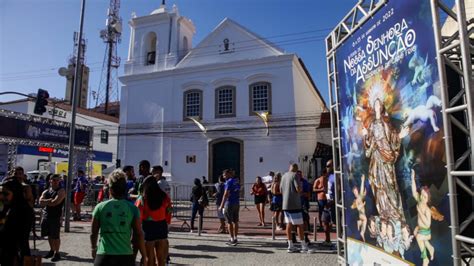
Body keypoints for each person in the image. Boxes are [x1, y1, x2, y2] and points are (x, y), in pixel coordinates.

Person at [362, 98, 408, 222]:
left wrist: (400, 136)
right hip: (376, 157)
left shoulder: (386, 121)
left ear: (382, 106)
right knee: (377, 184)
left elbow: (393, 137)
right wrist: (366, 134)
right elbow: (368, 144)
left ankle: (394, 213)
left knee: (389, 185)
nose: (377, 105)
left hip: (386, 156)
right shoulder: (371, 124)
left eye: (379, 103)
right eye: (375, 103)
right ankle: (383, 212)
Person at [90, 169, 147, 266]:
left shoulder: (100, 207)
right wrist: (144, 255)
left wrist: (93, 248)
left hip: (104, 256)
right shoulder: (132, 208)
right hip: (125, 257)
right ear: (125, 188)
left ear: (110, 189)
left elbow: (93, 233)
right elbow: (139, 234)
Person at [135, 176, 172, 266]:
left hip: (148, 228)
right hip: (162, 226)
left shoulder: (143, 199)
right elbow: (169, 211)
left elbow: (138, 214)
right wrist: (167, 222)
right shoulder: (165, 196)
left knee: (149, 257)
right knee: (161, 257)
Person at [0, 178, 34, 265]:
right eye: (1, 193)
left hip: (16, 256)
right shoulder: (8, 207)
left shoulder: (24, 210)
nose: (2, 197)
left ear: (16, 193)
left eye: (6, 194)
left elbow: (21, 238)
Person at [280, 163, 307, 253]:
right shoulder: (295, 175)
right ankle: (303, 245)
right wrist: (300, 191)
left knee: (289, 224)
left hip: (285, 204)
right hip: (294, 204)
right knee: (299, 225)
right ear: (296, 169)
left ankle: (290, 245)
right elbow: (298, 188)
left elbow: (280, 190)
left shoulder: (284, 176)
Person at [39, 174, 66, 262]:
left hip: (56, 217)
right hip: (46, 216)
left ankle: (57, 253)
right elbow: (40, 202)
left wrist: (45, 202)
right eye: (54, 180)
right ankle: (51, 250)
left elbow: (55, 202)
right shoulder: (46, 191)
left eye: (57, 180)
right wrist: (48, 201)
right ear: (50, 180)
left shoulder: (61, 191)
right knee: (49, 235)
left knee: (55, 236)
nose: (56, 181)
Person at [219, 169, 240, 246]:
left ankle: (232, 239)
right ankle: (235, 238)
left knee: (229, 221)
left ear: (228, 174)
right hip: (236, 203)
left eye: (225, 175)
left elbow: (225, 194)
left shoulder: (228, 182)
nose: (224, 177)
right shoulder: (236, 181)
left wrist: (221, 205)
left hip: (229, 203)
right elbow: (238, 190)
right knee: (235, 221)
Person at [351, 174, 367, 242]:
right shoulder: (358, 199)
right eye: (354, 192)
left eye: (356, 191)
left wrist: (362, 180)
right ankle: (362, 233)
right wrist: (363, 205)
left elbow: (362, 189)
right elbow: (358, 208)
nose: (355, 192)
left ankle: (359, 226)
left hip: (360, 216)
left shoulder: (358, 198)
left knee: (361, 222)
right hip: (362, 215)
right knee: (365, 219)